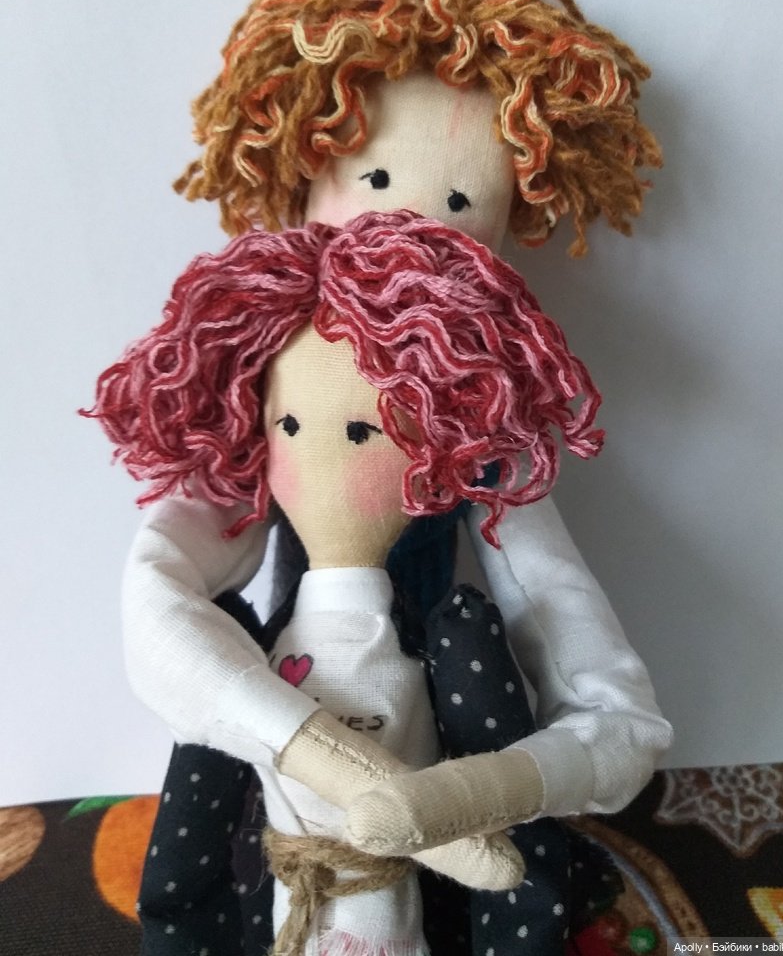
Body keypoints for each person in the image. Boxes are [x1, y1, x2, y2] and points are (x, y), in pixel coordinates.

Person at [111, 0, 672, 952]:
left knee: (473, 663)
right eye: (373, 178)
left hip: (451, 738)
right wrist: (308, 749)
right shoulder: (271, 375)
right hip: (291, 744)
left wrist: (477, 792)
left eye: (462, 202)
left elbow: (613, 706)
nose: (414, 224)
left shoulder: (486, 434)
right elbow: (158, 601)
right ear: (300, 170)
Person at [89, 212, 608, 954]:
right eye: (288, 427)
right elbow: (169, 644)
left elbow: (596, 730)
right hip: (287, 893)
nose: (319, 460)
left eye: (363, 433)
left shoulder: (453, 641)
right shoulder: (242, 633)